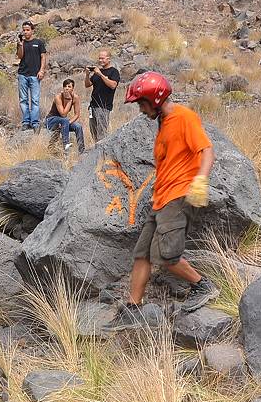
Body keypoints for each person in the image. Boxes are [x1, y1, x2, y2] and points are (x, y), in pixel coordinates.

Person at [104, 71, 220, 331]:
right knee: (142, 254)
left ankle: (203, 286)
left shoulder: (184, 117)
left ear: (154, 99)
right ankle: (132, 308)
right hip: (161, 198)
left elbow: (207, 151)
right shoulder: (163, 122)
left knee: (166, 256)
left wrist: (200, 181)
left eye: (141, 104)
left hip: (179, 196)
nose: (140, 110)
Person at [16, 21, 47, 131]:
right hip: (23, 74)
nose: (25, 32)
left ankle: (34, 122)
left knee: (34, 100)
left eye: (28, 30)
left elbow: (43, 57)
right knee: (23, 100)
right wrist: (20, 45)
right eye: (24, 30)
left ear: (32, 30)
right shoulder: (22, 43)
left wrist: (42, 70)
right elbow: (20, 56)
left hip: (35, 75)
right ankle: (26, 121)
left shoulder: (38, 42)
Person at [85, 50, 120, 144]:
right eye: (99, 58)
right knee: (94, 133)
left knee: (102, 135)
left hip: (103, 107)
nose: (100, 60)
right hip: (93, 106)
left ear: (108, 59)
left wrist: (100, 74)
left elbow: (113, 85)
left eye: (103, 58)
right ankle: (96, 155)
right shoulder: (96, 72)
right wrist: (87, 75)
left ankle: (103, 156)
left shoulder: (114, 72)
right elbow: (87, 85)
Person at [44, 79, 85, 153]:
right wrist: (69, 101)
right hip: (51, 120)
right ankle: (66, 144)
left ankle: (81, 150)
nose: (66, 88)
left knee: (78, 126)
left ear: (73, 88)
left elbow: (77, 114)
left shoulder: (75, 97)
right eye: (65, 86)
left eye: (69, 86)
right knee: (65, 119)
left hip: (63, 121)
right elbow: (63, 114)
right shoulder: (58, 97)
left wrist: (68, 123)